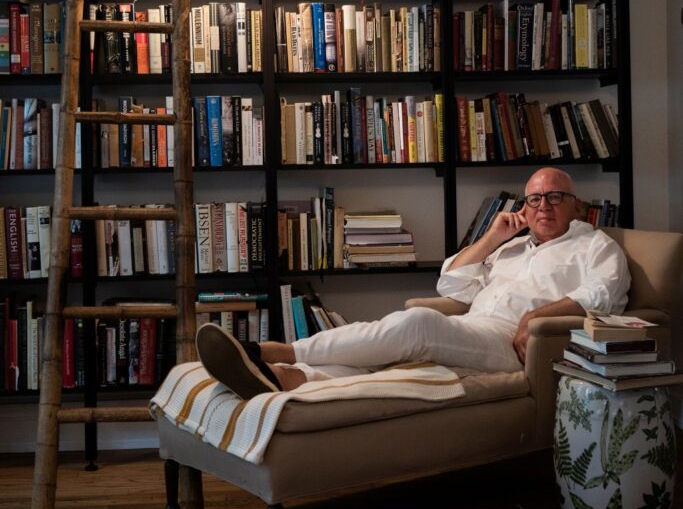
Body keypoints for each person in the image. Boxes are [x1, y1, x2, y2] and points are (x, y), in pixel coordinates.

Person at [196, 167, 631, 399]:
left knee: (417, 322)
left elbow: (604, 296)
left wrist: (536, 316)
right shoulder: (513, 247)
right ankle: (291, 378)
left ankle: (280, 350)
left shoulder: (594, 245)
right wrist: (495, 236)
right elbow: (452, 284)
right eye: (534, 198)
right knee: (389, 363)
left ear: (575, 205)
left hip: (517, 344)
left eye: (555, 197)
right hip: (473, 330)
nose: (543, 206)